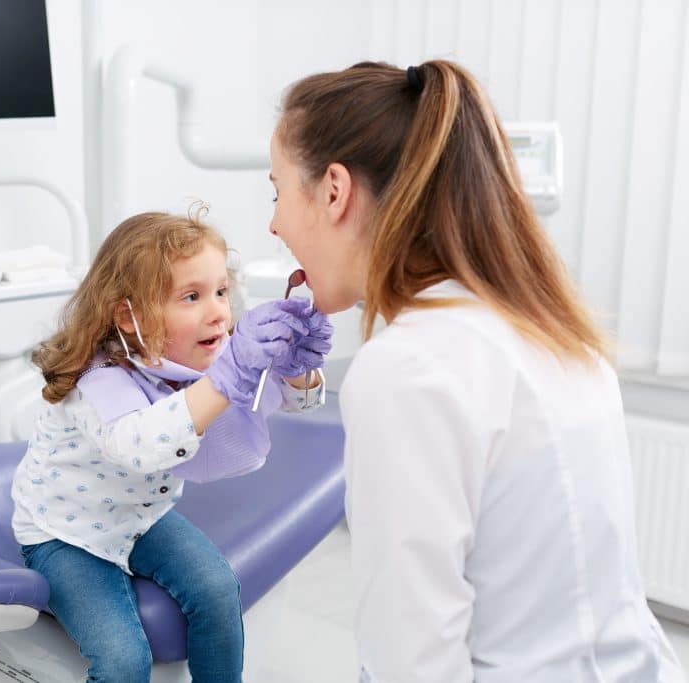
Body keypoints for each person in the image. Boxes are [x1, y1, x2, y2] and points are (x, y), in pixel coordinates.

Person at [268, 60, 687, 681]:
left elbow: (409, 665)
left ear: (334, 191)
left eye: (277, 192)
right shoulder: (548, 326)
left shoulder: (407, 371)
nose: (274, 223)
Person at [10, 209, 331, 682]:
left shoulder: (197, 357)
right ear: (130, 315)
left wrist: (297, 364)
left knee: (219, 590)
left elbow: (292, 400)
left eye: (221, 290)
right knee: (123, 660)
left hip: (140, 516)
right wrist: (227, 376)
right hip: (66, 532)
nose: (219, 311)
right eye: (191, 296)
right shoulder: (98, 380)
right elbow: (142, 445)